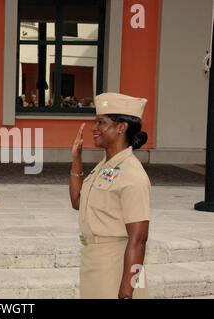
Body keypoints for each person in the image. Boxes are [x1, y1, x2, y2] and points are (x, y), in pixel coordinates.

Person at [69, 92, 150, 299]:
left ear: (121, 127)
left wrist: (126, 292)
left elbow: (139, 239)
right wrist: (77, 158)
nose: (94, 128)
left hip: (115, 265)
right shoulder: (106, 167)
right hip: (94, 261)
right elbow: (77, 202)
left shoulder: (133, 174)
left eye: (101, 123)